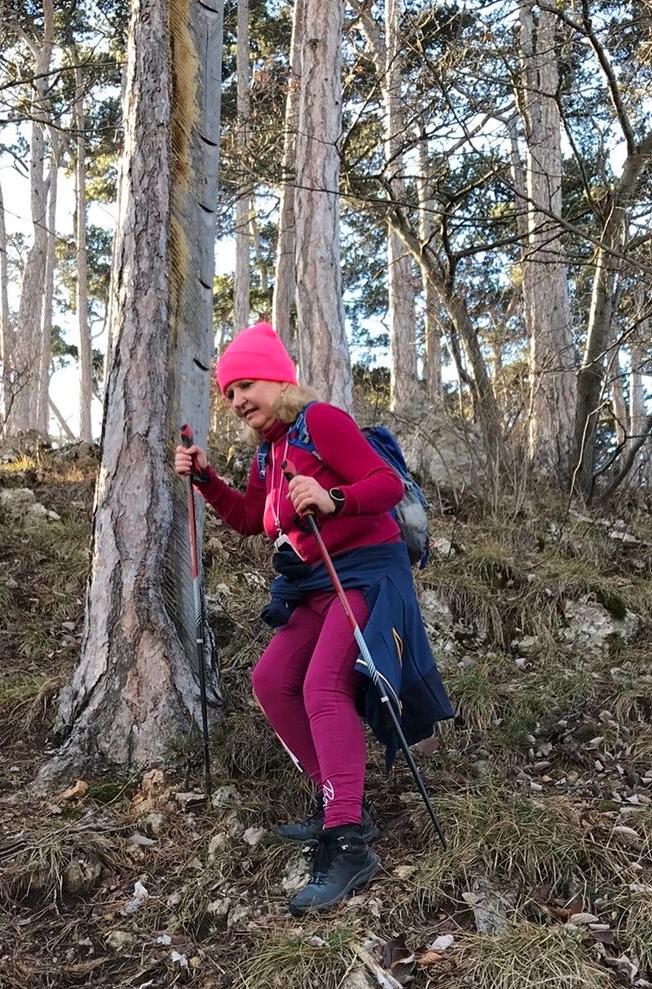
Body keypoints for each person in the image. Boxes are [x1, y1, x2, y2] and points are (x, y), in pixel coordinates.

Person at [174, 319, 453, 916]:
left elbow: (385, 483)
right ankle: (339, 801)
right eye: (229, 393)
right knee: (272, 680)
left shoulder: (320, 422)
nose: (237, 400)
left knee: (324, 686)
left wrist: (333, 499)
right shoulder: (268, 453)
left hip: (366, 571)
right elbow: (250, 519)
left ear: (279, 381)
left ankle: (348, 841)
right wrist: (205, 480)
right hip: (315, 581)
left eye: (245, 385)